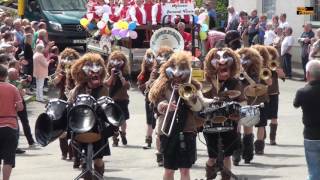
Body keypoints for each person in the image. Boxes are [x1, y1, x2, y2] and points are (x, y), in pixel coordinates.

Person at [148, 51, 204, 180]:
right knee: (169, 170)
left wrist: (191, 97)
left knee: (185, 170)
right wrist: (164, 105)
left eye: (181, 68)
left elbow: (199, 107)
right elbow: (156, 102)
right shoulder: (162, 84)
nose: (177, 73)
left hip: (187, 130)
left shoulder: (192, 85)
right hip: (168, 129)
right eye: (174, 67)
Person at [203, 48, 244, 179]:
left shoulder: (235, 82)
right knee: (212, 157)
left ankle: (225, 177)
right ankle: (210, 174)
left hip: (229, 121)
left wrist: (239, 114)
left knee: (227, 155)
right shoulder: (206, 81)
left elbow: (243, 101)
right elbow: (199, 100)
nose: (223, 71)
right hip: (210, 122)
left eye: (226, 69)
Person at [68, 53, 110, 179]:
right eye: (90, 69)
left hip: (98, 128)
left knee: (98, 160)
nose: (94, 73)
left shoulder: (103, 89)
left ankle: (99, 175)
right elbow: (70, 103)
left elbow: (108, 107)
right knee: (85, 161)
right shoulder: (78, 89)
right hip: (81, 127)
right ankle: (85, 169)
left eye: (97, 68)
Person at [294, 60, 320, 180]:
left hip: (311, 135)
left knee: (313, 170)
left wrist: (307, 85)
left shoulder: (303, 91)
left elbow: (296, 104)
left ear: (308, 74)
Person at [53, 48, 79, 163]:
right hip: (63, 100)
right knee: (62, 129)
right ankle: (64, 153)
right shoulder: (60, 71)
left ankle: (73, 153)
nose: (68, 61)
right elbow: (54, 83)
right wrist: (60, 76)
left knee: (74, 129)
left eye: (71, 59)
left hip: (75, 100)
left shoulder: (78, 70)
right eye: (66, 59)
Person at [0, 64, 24, 180]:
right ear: (5, 76)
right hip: (10, 126)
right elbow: (20, 108)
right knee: (8, 159)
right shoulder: (13, 88)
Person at [105, 51, 131, 147]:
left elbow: (127, 86)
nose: (116, 62)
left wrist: (121, 76)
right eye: (114, 60)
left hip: (123, 99)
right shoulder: (108, 72)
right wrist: (112, 75)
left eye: (119, 60)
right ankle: (115, 137)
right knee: (114, 120)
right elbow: (107, 83)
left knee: (123, 119)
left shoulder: (126, 73)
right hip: (112, 99)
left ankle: (123, 134)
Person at [265, 46, 285, 145]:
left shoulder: (275, 64)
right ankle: (262, 136)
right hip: (262, 93)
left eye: (271, 54)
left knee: (274, 117)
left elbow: (283, 76)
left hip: (273, 93)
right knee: (262, 116)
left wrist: (277, 70)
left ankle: (272, 138)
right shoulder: (261, 64)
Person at [137, 49, 156, 149]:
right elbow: (141, 88)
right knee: (150, 121)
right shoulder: (143, 75)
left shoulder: (160, 71)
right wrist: (149, 81)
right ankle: (148, 140)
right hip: (149, 100)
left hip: (161, 100)